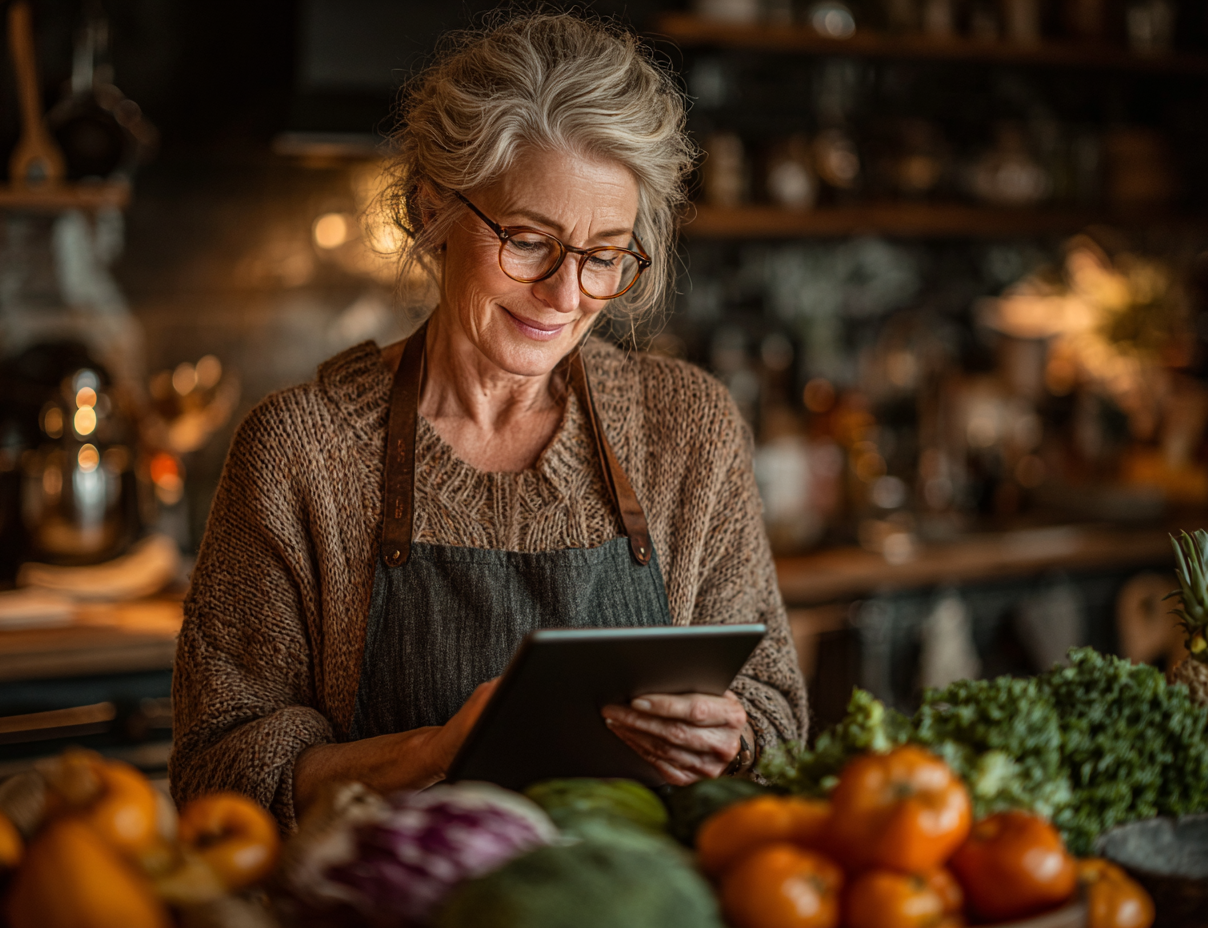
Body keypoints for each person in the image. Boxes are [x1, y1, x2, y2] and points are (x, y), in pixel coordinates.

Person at [170, 12, 808, 831]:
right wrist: (435, 753)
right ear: (430, 211)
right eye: (528, 240)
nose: (567, 294)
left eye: (605, 253)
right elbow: (216, 777)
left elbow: (782, 718)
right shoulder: (301, 452)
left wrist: (737, 734)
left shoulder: (687, 426)